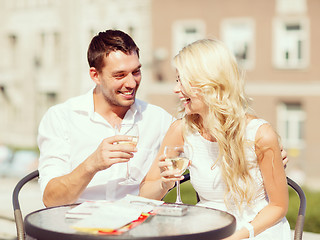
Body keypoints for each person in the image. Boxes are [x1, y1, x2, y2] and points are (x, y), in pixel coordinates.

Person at [139, 39, 291, 239]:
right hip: (207, 227)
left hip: (257, 230)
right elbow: (144, 195)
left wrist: (238, 236)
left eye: (181, 80)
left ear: (209, 83)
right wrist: (164, 184)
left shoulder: (260, 134)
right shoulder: (181, 130)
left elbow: (278, 206)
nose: (176, 89)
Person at [37, 29, 173, 207]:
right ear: (95, 76)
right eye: (120, 75)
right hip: (77, 228)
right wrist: (92, 165)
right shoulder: (61, 118)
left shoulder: (158, 119)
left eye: (136, 72)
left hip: (136, 228)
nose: (132, 83)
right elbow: (51, 199)